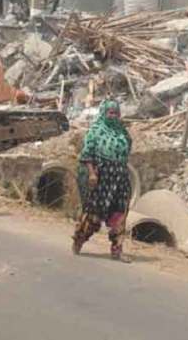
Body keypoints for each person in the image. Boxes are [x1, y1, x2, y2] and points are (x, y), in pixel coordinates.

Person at [72, 99, 132, 261]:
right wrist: (92, 174)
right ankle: (79, 240)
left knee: (119, 214)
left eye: (116, 113)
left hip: (120, 179)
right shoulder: (96, 131)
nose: (113, 116)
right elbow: (87, 155)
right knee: (94, 215)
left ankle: (117, 249)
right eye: (110, 113)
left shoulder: (123, 133)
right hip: (101, 178)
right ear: (104, 113)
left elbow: (127, 153)